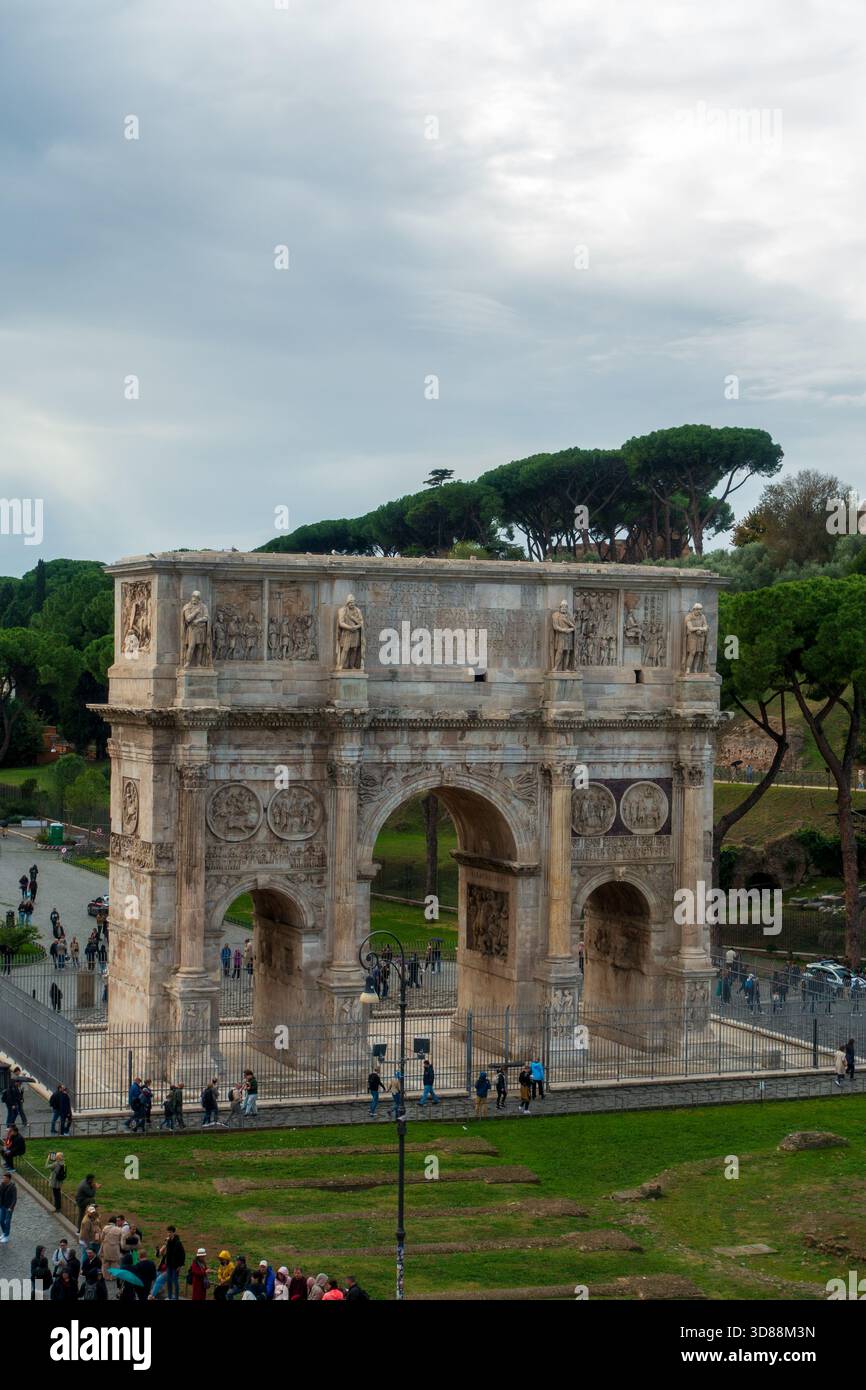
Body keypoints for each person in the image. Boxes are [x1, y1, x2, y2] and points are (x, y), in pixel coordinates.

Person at [0, 1171, 16, 1242]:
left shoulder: (13, 1187)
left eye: (5, 1178)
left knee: (7, 1221)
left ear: (9, 1179)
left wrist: (11, 1207)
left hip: (9, 1207)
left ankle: (6, 1236)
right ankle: (4, 1232)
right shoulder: (2, 1185)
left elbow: (14, 1198)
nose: (3, 1179)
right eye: (3, 1178)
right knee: (1, 1220)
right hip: (2, 1206)